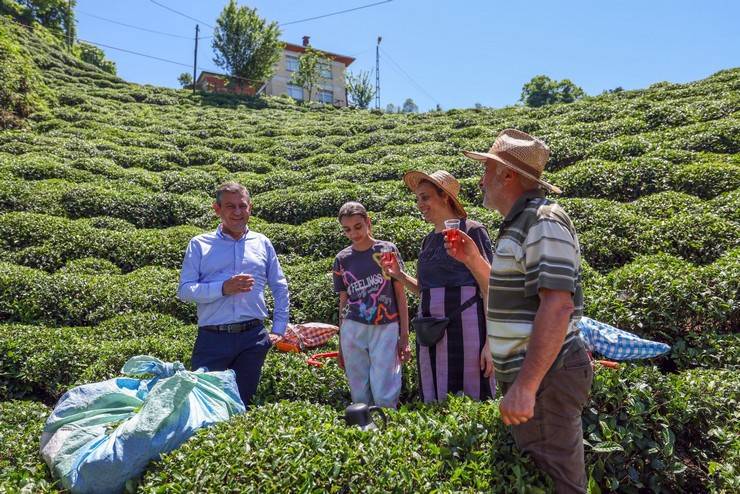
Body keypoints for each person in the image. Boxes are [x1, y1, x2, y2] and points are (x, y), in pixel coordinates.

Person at [449, 129, 592, 493]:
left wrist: (526, 386)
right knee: (538, 476)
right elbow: (507, 295)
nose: (480, 180)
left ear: (507, 175)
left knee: (560, 482)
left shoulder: (542, 221)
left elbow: (558, 305)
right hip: (535, 375)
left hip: (547, 377)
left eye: (487, 170)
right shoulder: (518, 222)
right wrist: (472, 259)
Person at [382, 170, 495, 403]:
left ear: (444, 197)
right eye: (417, 199)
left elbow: (489, 286)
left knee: (470, 399)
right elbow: (425, 290)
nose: (420, 205)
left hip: (467, 330)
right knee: (435, 399)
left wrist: (491, 343)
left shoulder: (472, 230)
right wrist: (399, 275)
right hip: (431, 333)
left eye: (425, 197)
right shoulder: (428, 240)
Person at [177, 182, 290, 407]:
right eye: (230, 206)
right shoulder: (200, 244)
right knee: (204, 403)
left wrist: (278, 329)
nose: (237, 212)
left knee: (242, 403)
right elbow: (185, 290)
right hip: (213, 338)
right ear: (217, 209)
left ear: (250, 208)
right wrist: (222, 288)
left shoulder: (262, 242)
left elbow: (279, 285)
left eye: (242, 206)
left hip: (253, 337)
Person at [332, 201, 411, 408]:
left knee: (385, 387)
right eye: (347, 230)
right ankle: (365, 432)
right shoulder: (342, 259)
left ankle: (386, 428)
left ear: (368, 222)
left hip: (386, 324)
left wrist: (404, 335)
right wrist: (340, 341)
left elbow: (399, 293)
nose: (354, 233)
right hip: (353, 326)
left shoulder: (386, 250)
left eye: (358, 226)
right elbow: (343, 300)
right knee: (358, 389)